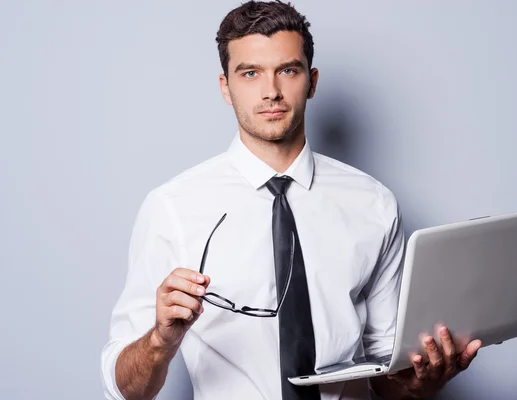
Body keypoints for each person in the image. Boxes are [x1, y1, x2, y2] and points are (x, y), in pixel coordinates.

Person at [100, 1, 482, 399]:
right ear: (225, 87)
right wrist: (160, 341)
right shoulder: (173, 207)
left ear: (312, 81)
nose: (271, 92)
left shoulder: (374, 204)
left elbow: (387, 379)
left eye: (288, 70)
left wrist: (422, 381)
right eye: (250, 73)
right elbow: (126, 388)